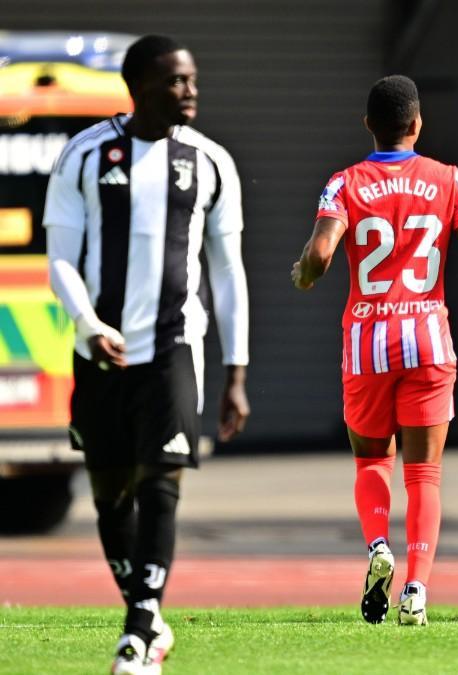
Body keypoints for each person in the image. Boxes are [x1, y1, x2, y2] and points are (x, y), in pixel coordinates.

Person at [43, 35, 250, 673]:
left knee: (161, 482)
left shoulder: (212, 161)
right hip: (100, 350)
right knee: (109, 493)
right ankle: (150, 614)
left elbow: (229, 273)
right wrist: (87, 322)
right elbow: (60, 258)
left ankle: (137, 632)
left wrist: (235, 372)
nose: (190, 91)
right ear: (140, 87)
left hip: (173, 346)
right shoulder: (84, 155)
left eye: (192, 79)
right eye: (176, 81)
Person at [291, 75, 458, 627]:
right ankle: (416, 587)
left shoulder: (345, 182)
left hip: (367, 344)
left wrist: (302, 274)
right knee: (425, 474)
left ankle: (377, 549)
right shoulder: (448, 179)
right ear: (417, 124)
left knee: (372, 461)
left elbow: (321, 256)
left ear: (368, 125)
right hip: (427, 341)